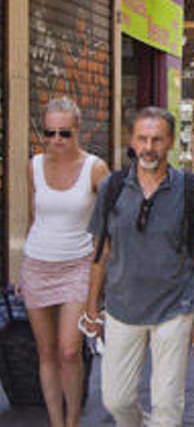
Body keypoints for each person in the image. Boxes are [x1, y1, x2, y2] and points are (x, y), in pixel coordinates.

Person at [83, 107, 194, 427]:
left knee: (168, 406)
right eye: (142, 139)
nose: (148, 147)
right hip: (121, 308)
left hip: (175, 308)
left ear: (170, 142)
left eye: (157, 139)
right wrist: (91, 310)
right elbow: (100, 253)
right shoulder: (112, 187)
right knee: (116, 399)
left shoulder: (189, 189)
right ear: (132, 140)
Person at [19, 97, 110, 427]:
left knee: (69, 350)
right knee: (46, 352)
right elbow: (33, 216)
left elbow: (111, 220)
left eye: (64, 134)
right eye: (50, 133)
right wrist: (23, 271)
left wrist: (102, 273)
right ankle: (56, 422)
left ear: (78, 132)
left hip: (78, 265)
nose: (56, 140)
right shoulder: (33, 166)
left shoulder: (95, 168)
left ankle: (73, 420)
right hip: (37, 263)